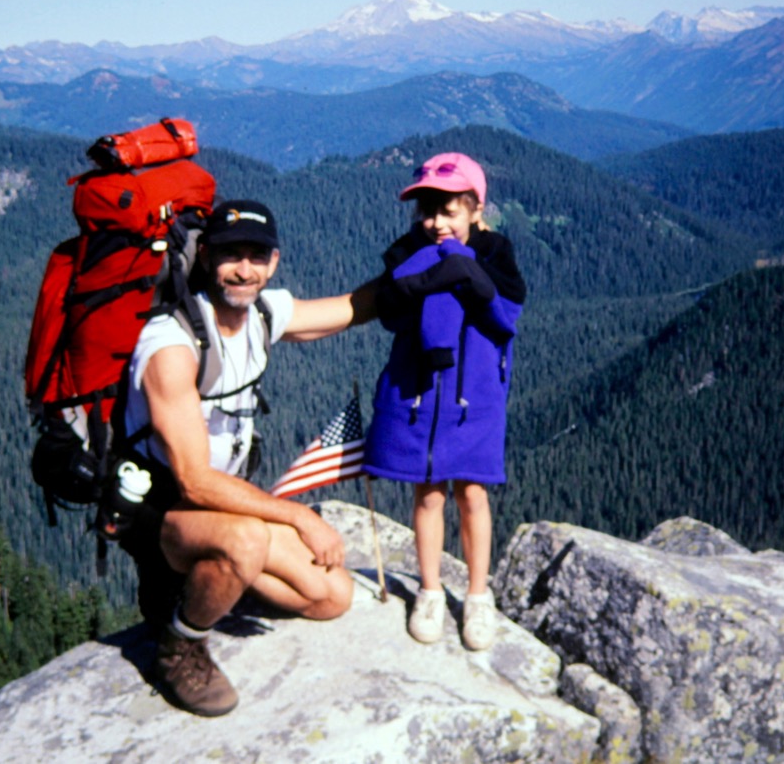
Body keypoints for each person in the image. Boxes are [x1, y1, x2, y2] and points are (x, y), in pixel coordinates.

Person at [115, 199, 375, 717]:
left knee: (332, 595)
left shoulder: (260, 313)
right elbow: (193, 484)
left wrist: (425, 263)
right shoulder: (172, 344)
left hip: (222, 507)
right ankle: (179, 644)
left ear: (273, 263)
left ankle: (223, 577)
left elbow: (349, 310)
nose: (244, 268)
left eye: (257, 256)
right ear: (207, 256)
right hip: (162, 510)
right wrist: (299, 515)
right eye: (231, 254)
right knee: (248, 538)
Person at [362, 153, 526, 651]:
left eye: (450, 211)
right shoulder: (407, 252)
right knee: (428, 494)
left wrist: (463, 273)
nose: (436, 223)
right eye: (427, 212)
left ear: (477, 210)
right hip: (420, 397)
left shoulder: (496, 253)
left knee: (472, 494)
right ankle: (430, 591)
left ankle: (478, 596)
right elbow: (390, 312)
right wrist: (428, 275)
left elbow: (505, 316)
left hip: (471, 401)